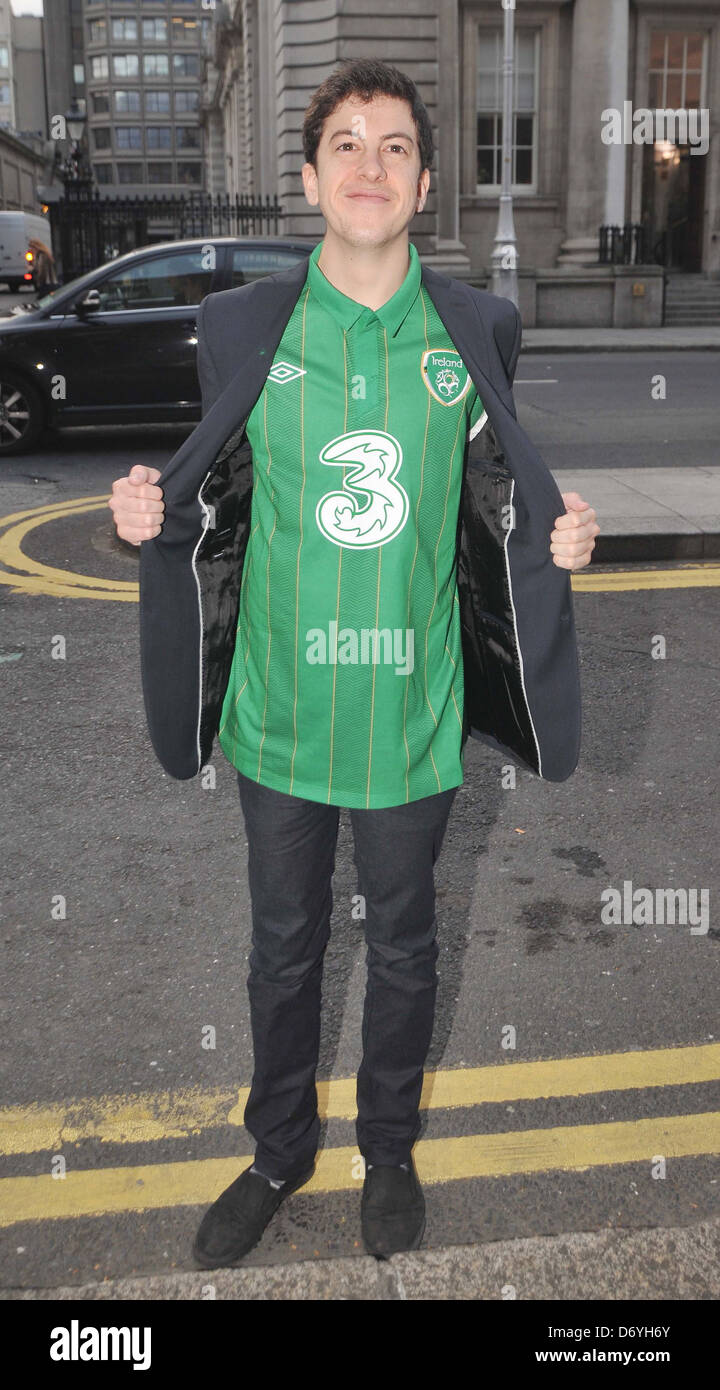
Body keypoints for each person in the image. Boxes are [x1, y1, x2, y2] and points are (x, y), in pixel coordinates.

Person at [109, 59, 599, 1267]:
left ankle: (387, 1146)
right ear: (311, 176)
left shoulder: (477, 325)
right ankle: (278, 1150)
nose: (368, 164)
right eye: (344, 143)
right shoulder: (238, 328)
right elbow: (209, 495)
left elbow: (497, 496)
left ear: (424, 182)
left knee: (407, 945)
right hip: (279, 715)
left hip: (414, 714)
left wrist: (558, 534)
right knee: (282, 948)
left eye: (392, 146)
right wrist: (144, 513)